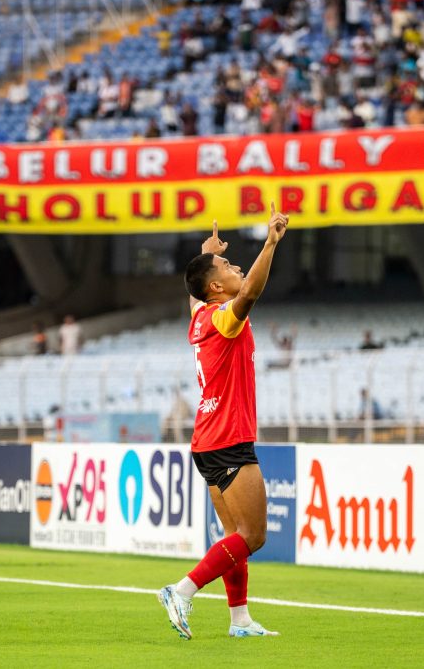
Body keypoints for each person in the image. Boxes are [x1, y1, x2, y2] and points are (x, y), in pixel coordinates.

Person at [159, 210, 288, 640]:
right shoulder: (223, 319)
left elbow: (196, 295)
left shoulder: (199, 317)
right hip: (229, 438)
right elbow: (249, 292)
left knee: (232, 535)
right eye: (229, 267)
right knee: (253, 537)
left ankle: (240, 621)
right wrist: (270, 242)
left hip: (207, 439)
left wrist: (205, 253)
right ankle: (182, 590)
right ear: (217, 288)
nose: (236, 269)